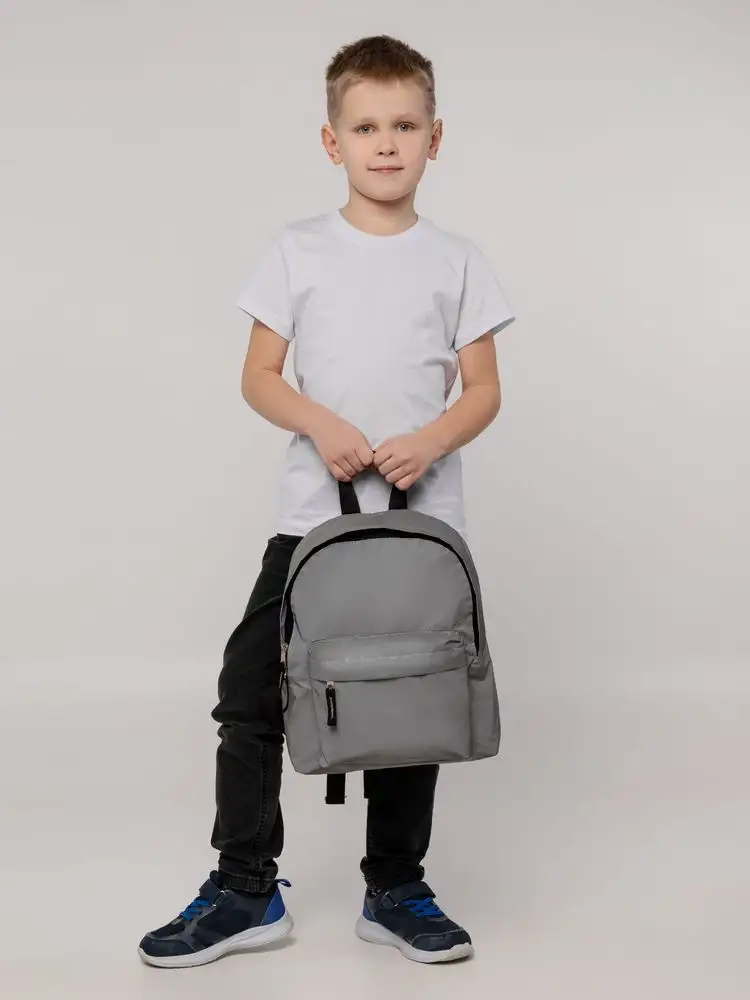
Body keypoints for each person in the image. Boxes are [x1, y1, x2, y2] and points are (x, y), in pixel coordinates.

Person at [138, 33, 515, 969]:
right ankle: (245, 887)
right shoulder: (296, 250)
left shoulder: (458, 260)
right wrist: (321, 423)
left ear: (436, 138)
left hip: (419, 528)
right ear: (330, 140)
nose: (385, 143)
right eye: (366, 127)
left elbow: (482, 391)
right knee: (249, 694)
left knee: (412, 694)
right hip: (313, 523)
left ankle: (396, 887)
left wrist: (430, 441)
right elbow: (260, 376)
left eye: (405, 126)